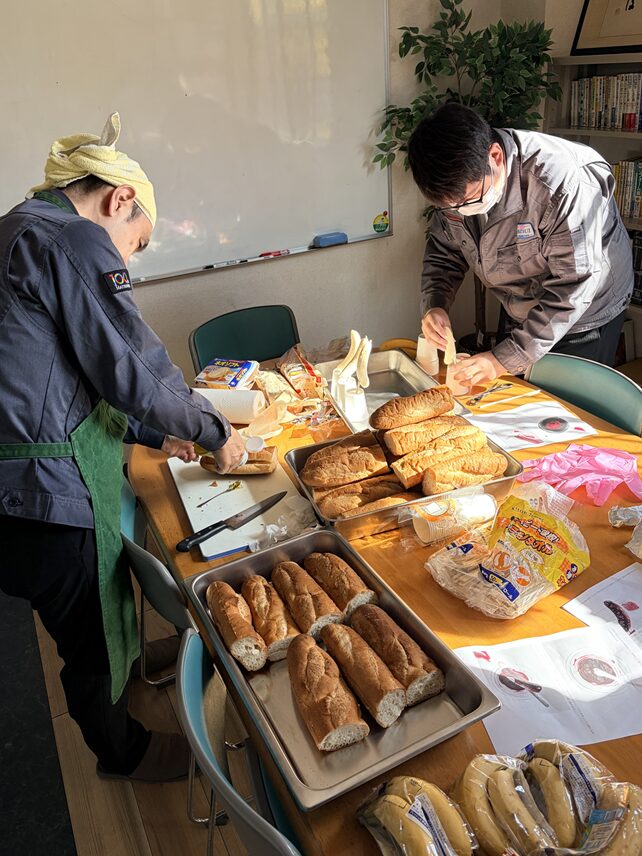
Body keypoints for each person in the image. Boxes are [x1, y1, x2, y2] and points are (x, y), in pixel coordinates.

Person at [0, 113, 245, 782]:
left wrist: (160, 431)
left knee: (90, 618)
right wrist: (216, 431)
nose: (128, 262)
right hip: (40, 494)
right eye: (135, 246)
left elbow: (64, 382)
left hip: (15, 490)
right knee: (86, 638)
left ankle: (130, 672)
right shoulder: (73, 238)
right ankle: (124, 754)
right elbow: (133, 368)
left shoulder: (16, 228)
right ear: (119, 200)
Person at [407, 102, 634, 386]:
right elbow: (445, 250)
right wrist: (435, 304)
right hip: (523, 300)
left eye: (470, 200)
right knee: (518, 392)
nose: (462, 211)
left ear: (495, 156)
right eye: (451, 207)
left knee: (566, 403)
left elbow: (573, 286)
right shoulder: (458, 190)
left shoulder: (562, 183)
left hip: (583, 312)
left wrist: (500, 360)